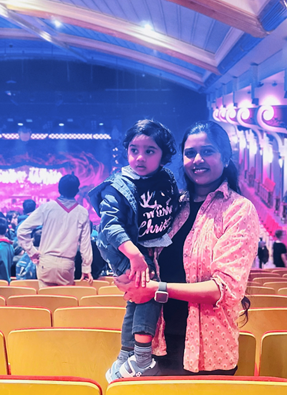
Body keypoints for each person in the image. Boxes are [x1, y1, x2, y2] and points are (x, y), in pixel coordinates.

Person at [115, 121, 259, 376]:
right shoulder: (173, 205)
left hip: (208, 352)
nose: (197, 159)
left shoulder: (239, 210)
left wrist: (156, 289)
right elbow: (148, 257)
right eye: (190, 153)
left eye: (208, 151)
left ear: (225, 158)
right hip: (157, 344)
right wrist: (127, 277)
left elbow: (222, 290)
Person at [89, 119, 179, 381]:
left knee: (135, 299)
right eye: (133, 150)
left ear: (163, 154)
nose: (140, 157)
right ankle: (141, 358)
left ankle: (124, 354)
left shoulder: (166, 178)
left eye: (149, 151)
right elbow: (111, 225)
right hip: (124, 250)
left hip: (147, 248)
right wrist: (135, 257)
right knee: (150, 292)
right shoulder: (117, 186)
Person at [17, 174, 93, 288]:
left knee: (45, 301)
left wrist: (32, 252)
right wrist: (86, 267)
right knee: (64, 302)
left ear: (58, 189)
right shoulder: (82, 212)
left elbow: (22, 230)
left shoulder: (47, 207)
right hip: (67, 265)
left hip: (46, 262)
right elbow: (85, 244)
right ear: (77, 191)